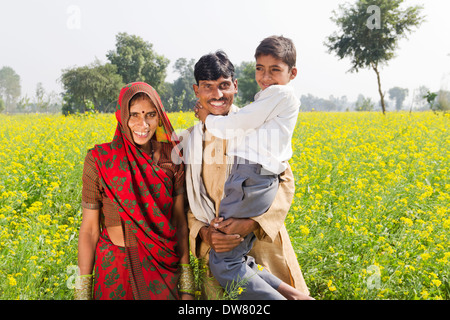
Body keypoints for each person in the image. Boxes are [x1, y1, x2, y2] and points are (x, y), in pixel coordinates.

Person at [183, 50, 312, 300]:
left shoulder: (259, 126)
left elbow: (284, 184)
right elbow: (185, 203)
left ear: (236, 86)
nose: (217, 95)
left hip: (262, 245)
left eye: (223, 86)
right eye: (207, 87)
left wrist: (251, 223)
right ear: (196, 90)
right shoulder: (188, 141)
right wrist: (205, 232)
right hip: (214, 248)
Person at [75, 82, 194, 300]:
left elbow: (179, 223)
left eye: (150, 115)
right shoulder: (99, 160)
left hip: (163, 270)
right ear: (121, 117)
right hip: (114, 270)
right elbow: (90, 229)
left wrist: (187, 287)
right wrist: (82, 292)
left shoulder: (172, 157)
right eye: (134, 115)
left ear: (159, 117)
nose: (143, 124)